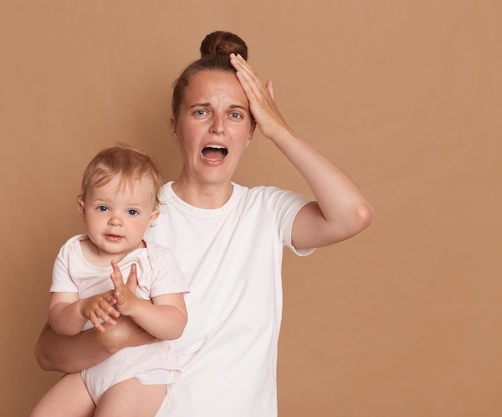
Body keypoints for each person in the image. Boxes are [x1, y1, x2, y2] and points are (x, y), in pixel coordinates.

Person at [34, 31, 373, 416]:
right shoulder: (134, 217)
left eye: (236, 114)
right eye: (200, 111)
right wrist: (114, 337)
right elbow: (48, 351)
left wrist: (279, 128)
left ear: (250, 131)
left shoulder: (265, 211)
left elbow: (353, 215)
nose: (217, 126)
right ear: (175, 126)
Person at [29, 145, 189, 417]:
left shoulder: (155, 260)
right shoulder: (72, 254)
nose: (115, 221)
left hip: (140, 372)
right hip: (88, 369)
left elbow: (176, 323)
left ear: (152, 218)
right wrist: (80, 308)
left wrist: (136, 306)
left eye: (132, 212)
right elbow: (58, 321)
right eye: (103, 208)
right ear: (83, 208)